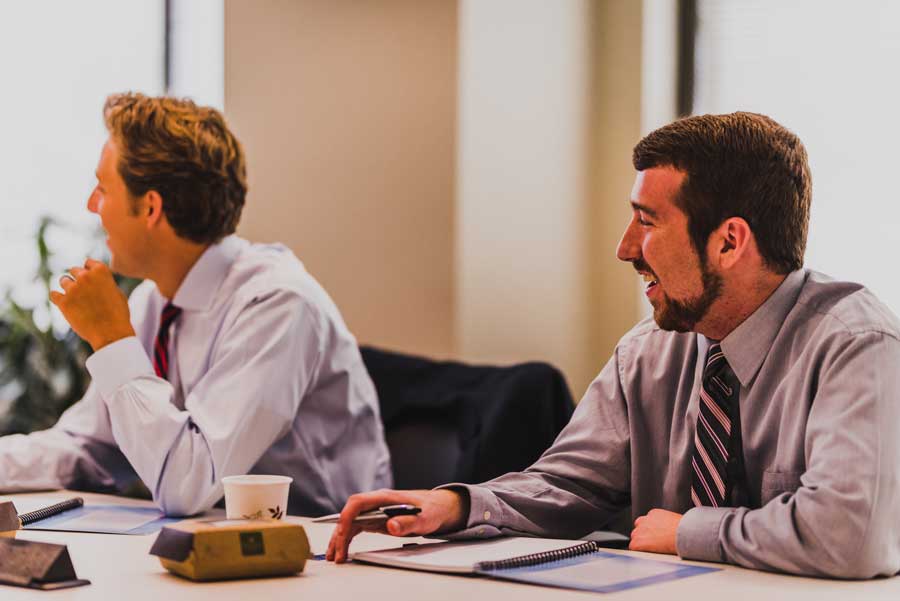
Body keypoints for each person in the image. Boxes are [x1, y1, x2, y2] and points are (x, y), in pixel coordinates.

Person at [326, 112, 900, 578]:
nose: (626, 249)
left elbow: (847, 536)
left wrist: (686, 531)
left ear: (729, 242)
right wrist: (456, 506)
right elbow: (567, 484)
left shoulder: (857, 346)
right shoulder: (650, 351)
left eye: (647, 222)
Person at [0, 92, 392, 516]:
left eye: (102, 188)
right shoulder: (154, 301)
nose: (92, 205)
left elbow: (189, 484)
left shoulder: (277, 303)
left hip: (321, 552)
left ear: (150, 207)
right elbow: (87, 445)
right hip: (219, 546)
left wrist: (111, 339)